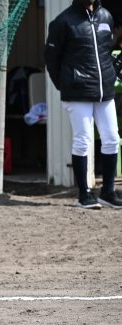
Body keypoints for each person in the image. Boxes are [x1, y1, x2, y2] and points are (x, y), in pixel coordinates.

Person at [45, 0, 121, 209]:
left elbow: (105, 50)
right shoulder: (62, 21)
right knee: (83, 140)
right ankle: (84, 194)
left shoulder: (106, 16)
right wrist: (65, 84)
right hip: (77, 90)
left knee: (112, 138)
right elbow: (51, 57)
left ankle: (108, 192)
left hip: (104, 90)